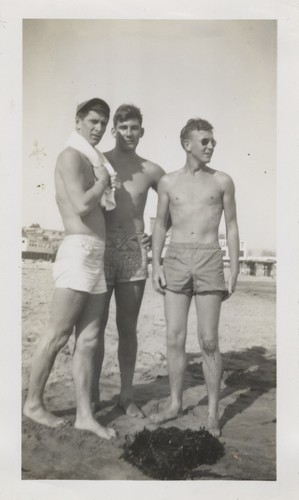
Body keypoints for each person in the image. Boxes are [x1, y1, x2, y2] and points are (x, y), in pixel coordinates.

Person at [23, 98, 117, 439]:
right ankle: (33, 403)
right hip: (77, 251)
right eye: (93, 121)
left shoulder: (93, 161)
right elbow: (80, 204)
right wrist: (104, 181)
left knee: (89, 339)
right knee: (58, 334)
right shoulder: (71, 156)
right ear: (78, 121)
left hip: (95, 254)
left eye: (103, 124)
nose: (98, 128)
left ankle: (84, 415)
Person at [150, 118, 239, 436]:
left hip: (209, 259)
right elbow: (160, 224)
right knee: (174, 338)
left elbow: (231, 225)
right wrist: (156, 264)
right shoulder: (168, 183)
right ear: (187, 144)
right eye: (205, 141)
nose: (211, 146)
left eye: (213, 141)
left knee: (209, 341)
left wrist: (234, 266)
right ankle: (174, 404)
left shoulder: (222, 181)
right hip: (175, 259)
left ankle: (213, 412)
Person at [91, 104, 167, 418]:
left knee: (127, 328)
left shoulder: (151, 169)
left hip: (134, 250)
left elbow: (174, 203)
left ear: (141, 131)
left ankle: (126, 394)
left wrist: (158, 232)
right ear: (114, 130)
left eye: (134, 128)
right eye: (123, 128)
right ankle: (92, 393)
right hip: (102, 247)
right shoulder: (99, 160)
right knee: (94, 327)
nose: (129, 134)